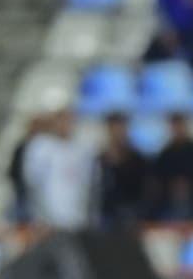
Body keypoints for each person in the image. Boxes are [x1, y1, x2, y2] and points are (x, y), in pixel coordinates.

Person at [22, 90, 98, 231]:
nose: (65, 122)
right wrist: (42, 219)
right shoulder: (40, 148)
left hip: (78, 224)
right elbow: (34, 185)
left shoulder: (83, 150)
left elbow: (90, 187)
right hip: (49, 226)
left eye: (68, 117)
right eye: (60, 117)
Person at [98, 112, 149, 228]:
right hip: (107, 216)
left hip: (133, 215)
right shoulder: (100, 160)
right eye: (114, 129)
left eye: (120, 129)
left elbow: (144, 190)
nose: (118, 133)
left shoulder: (138, 160)